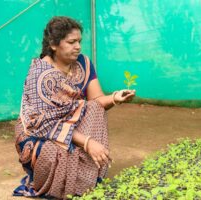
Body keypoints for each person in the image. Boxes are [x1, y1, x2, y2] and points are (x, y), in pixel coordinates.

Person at [13, 16, 135, 199]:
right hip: (38, 134)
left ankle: (83, 178)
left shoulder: (83, 64)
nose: (78, 46)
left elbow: (97, 101)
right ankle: (60, 183)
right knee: (53, 152)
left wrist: (116, 98)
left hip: (71, 126)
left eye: (79, 41)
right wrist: (88, 143)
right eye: (71, 42)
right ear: (54, 44)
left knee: (95, 108)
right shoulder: (40, 75)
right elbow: (46, 125)